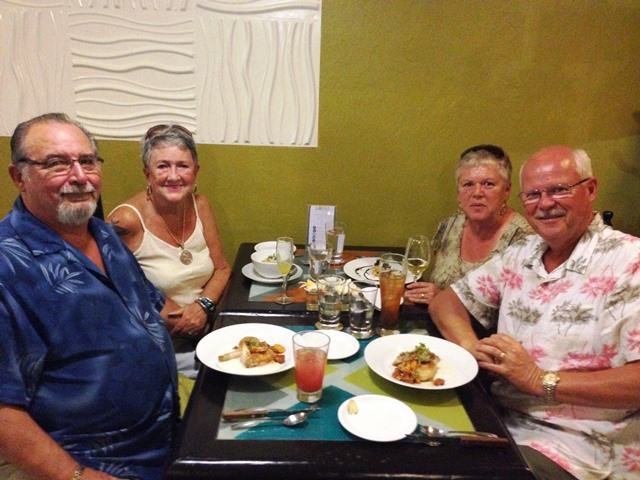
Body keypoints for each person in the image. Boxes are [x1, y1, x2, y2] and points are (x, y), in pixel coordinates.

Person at [429, 145, 640, 480]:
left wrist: (538, 380)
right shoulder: (524, 253)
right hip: (498, 419)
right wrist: (472, 348)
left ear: (591, 189)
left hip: (578, 448)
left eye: (559, 189)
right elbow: (446, 302)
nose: (545, 203)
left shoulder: (630, 261)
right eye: (533, 194)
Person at [0, 113, 179, 480]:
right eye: (57, 164)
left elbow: (149, 307)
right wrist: (78, 476)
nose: (80, 176)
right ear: (19, 177)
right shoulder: (7, 267)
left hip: (165, 440)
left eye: (87, 161)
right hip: (97, 465)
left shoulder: (103, 234)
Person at [107, 124, 231, 407]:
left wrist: (202, 308)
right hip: (156, 348)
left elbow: (222, 268)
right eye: (163, 166)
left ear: (195, 171)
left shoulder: (200, 204)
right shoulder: (126, 222)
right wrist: (184, 322)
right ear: (147, 174)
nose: (174, 176)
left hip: (206, 332)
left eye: (182, 166)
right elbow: (112, 295)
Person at [405, 145, 532, 305]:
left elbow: (520, 309)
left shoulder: (524, 240)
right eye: (468, 184)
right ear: (458, 193)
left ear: (507, 190)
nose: (477, 193)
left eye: (488, 184)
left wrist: (443, 300)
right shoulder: (449, 226)